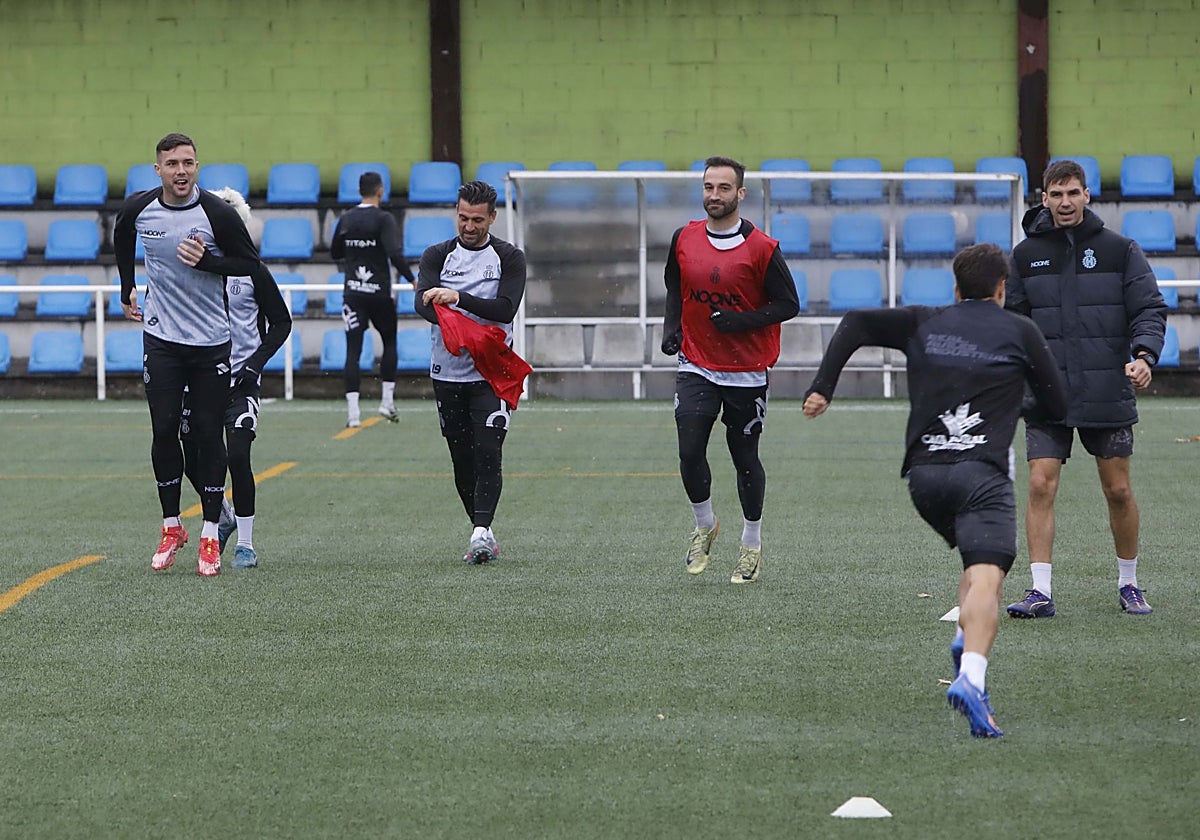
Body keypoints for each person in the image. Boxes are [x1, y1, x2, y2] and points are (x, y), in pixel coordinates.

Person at [803, 243, 1068, 738]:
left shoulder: (924, 320)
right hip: (981, 474)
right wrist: (1015, 394)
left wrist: (824, 386)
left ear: (955, 287)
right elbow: (1055, 404)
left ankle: (964, 633)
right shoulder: (1020, 330)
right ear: (1002, 289)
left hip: (924, 480)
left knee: (975, 560)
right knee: (990, 577)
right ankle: (971, 677)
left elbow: (856, 322)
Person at [1004, 159, 1167, 618]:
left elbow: (1149, 309)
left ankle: (1130, 583)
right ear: (1043, 199)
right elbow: (1014, 324)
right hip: (1047, 392)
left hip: (1106, 388)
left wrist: (1144, 356)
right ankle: (1040, 592)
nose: (1065, 202)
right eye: (1056, 195)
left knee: (1117, 490)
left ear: (1087, 195)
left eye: (1073, 193)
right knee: (1040, 483)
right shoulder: (1024, 255)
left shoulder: (1121, 250)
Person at [113, 132, 260, 577]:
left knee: (207, 438)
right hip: (161, 340)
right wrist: (126, 288)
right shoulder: (140, 209)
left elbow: (249, 264)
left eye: (189, 163)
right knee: (163, 430)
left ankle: (211, 532)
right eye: (173, 163)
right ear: (157, 169)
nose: (181, 170)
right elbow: (122, 236)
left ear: (198, 167)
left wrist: (208, 263)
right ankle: (172, 525)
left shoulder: (216, 212)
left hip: (211, 343)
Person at [661, 155, 799, 583]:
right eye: (708, 187)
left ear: (740, 194)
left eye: (723, 188)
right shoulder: (684, 237)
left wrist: (741, 321)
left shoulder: (763, 249)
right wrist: (672, 329)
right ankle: (704, 525)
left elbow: (788, 305)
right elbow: (674, 286)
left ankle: (751, 544)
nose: (714, 195)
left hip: (746, 371)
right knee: (689, 450)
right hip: (697, 363)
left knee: (744, 458)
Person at [413, 180, 527, 564]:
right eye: (463, 217)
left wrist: (456, 298)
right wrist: (455, 324)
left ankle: (479, 532)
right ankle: (484, 531)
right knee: (461, 459)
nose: (469, 226)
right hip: (447, 373)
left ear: (493, 217)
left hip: (493, 373)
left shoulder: (509, 258)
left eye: (478, 219)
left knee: (489, 451)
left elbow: (505, 308)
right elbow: (423, 304)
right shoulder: (436, 256)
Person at [181, 188, 292, 570]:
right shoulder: (188, 269)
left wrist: (255, 365)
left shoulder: (253, 271)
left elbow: (281, 323)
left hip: (241, 383)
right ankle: (224, 515)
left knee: (239, 456)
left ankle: (245, 543)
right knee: (190, 459)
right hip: (198, 381)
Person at [330, 171, 415, 427]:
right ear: (380, 191)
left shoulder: (346, 218)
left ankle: (353, 414)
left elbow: (335, 252)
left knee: (352, 351)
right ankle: (386, 402)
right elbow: (394, 253)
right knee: (389, 342)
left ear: (359, 192)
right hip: (379, 293)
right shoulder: (384, 219)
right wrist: (413, 279)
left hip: (353, 294)